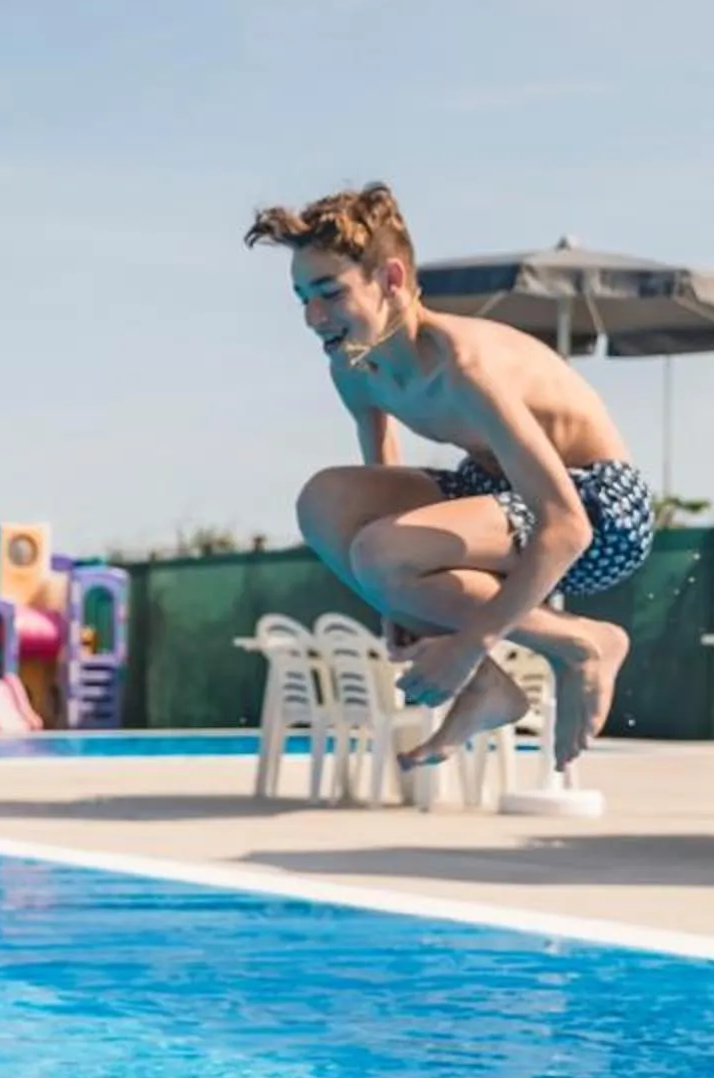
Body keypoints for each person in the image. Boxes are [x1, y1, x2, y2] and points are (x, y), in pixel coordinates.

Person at [246, 182, 648, 771]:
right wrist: (392, 597)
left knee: (385, 550)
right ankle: (489, 686)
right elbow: (379, 475)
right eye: (302, 297)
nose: (313, 317)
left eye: (329, 293)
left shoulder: (466, 368)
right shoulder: (355, 367)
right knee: (325, 503)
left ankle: (585, 644)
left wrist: (467, 644)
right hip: (493, 493)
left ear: (391, 279)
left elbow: (569, 527)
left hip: (599, 508)